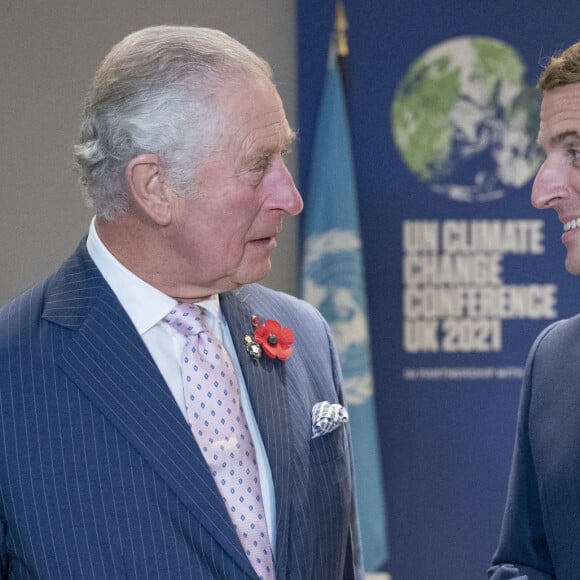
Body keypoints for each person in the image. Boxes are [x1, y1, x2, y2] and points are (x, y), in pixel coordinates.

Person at [0, 25, 363, 579]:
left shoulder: (305, 335)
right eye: (258, 163)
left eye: (283, 157)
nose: (290, 197)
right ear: (153, 187)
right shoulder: (12, 373)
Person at [489, 41, 580, 579]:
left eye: (578, 152)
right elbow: (527, 564)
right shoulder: (556, 358)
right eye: (547, 153)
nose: (542, 189)